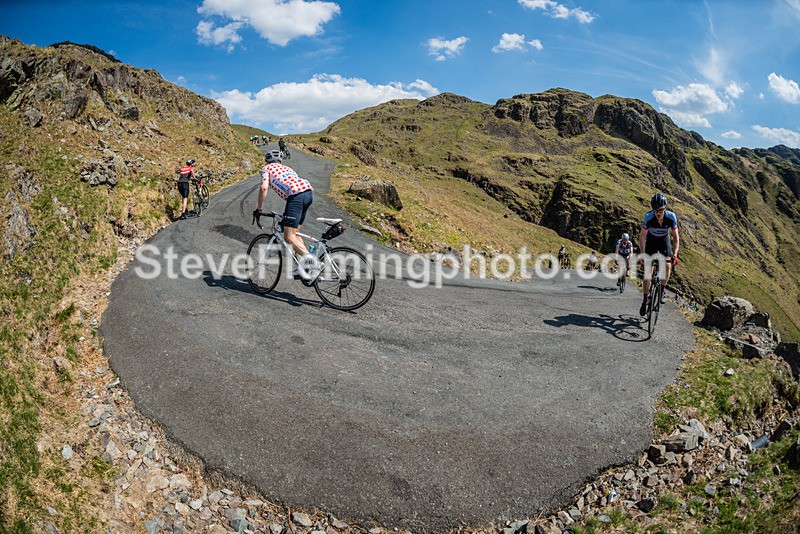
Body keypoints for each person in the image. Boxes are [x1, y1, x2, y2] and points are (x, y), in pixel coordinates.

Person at [253, 150, 321, 279]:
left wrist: (259, 209)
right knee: (294, 234)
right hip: (308, 193)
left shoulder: (266, 168)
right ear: (280, 161)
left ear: (267, 161)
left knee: (288, 237)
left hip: (296, 196)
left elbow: (264, 188)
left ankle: (313, 263)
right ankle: (304, 266)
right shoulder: (288, 168)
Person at [638, 193, 680, 315]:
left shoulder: (671, 217)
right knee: (647, 272)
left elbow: (676, 238)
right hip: (651, 240)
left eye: (661, 210)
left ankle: (662, 291)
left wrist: (675, 255)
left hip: (663, 240)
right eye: (656, 210)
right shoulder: (648, 217)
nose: (658, 213)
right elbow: (642, 236)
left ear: (665, 208)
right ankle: (645, 300)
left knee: (667, 266)